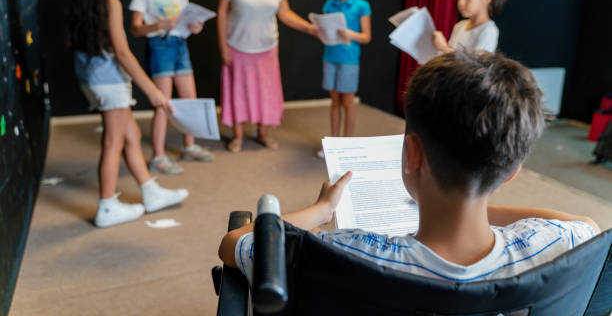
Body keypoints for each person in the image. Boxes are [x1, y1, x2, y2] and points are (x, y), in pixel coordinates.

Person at [219, 51, 600, 283]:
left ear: (412, 155)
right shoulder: (556, 243)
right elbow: (585, 224)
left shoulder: (339, 254)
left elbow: (235, 244)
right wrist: (479, 207)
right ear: (513, 171)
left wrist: (322, 209)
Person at [66, 0, 188, 228]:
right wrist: (154, 92)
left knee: (131, 135)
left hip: (91, 77)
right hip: (108, 82)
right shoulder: (110, 1)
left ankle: (149, 191)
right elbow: (122, 53)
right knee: (113, 142)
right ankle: (107, 205)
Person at [217, 0, 318, 153]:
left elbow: (285, 13)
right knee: (238, 92)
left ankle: (263, 133)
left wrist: (309, 28)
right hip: (238, 47)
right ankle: (238, 135)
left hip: (266, 49)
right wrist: (222, 45)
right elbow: (222, 12)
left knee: (266, 92)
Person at [129, 0, 214, 175]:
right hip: (160, 45)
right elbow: (135, 28)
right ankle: (158, 156)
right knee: (163, 103)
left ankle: (190, 146)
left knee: (190, 99)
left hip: (180, 44)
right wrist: (159, 25)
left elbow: (185, 20)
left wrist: (194, 26)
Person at [316, 0, 371, 158]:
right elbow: (324, 29)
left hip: (349, 59)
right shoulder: (329, 4)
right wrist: (319, 30)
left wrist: (350, 34)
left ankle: (347, 145)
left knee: (348, 102)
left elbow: (366, 36)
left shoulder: (361, 6)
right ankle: (333, 143)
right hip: (330, 56)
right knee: (334, 101)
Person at [432, 0, 508, 54]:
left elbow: (476, 65)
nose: (460, 2)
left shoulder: (489, 30)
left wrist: (443, 48)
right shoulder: (459, 26)